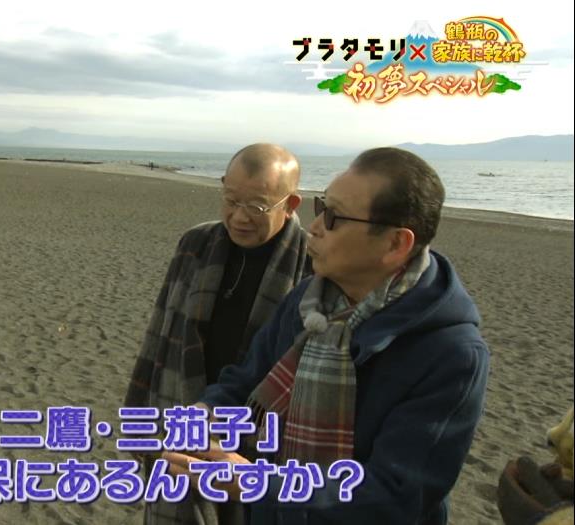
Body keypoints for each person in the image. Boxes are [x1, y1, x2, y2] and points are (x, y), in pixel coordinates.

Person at [165, 147, 489, 524]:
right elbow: (245, 380)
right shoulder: (308, 300)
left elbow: (396, 496)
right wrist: (203, 416)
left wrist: (259, 482)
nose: (315, 226)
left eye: (334, 217)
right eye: (321, 206)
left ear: (395, 244)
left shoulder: (452, 354)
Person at [125, 143, 310, 524]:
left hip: (257, 429)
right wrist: (138, 415)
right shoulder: (196, 243)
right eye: (231, 200)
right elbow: (161, 329)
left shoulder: (313, 262)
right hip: (183, 406)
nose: (239, 217)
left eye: (257, 207)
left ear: (291, 204)